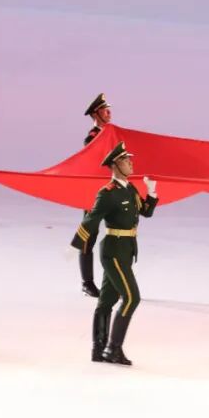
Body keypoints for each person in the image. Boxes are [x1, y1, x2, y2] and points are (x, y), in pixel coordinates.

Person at [70, 142, 158, 366]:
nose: (131, 163)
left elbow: (145, 212)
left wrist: (152, 192)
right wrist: (76, 244)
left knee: (107, 300)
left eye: (130, 159)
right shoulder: (107, 193)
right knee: (131, 298)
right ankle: (113, 348)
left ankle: (98, 349)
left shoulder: (130, 189)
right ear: (115, 165)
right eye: (126, 160)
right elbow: (92, 219)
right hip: (113, 251)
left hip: (126, 250)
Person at [77, 93, 113, 297]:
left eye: (109, 110)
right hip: (94, 194)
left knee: (116, 235)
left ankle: (113, 280)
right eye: (105, 110)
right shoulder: (92, 137)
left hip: (111, 192)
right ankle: (87, 282)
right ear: (95, 114)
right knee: (89, 237)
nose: (109, 113)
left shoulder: (112, 135)